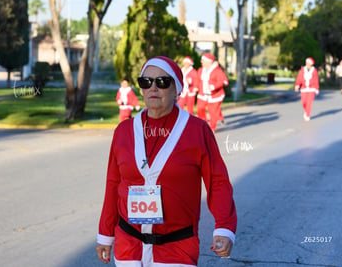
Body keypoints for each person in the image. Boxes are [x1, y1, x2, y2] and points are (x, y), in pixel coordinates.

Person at [96, 56, 237, 266]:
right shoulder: (123, 131)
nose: (153, 88)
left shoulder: (197, 131)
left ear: (177, 89)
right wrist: (105, 235)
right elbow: (113, 184)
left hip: (176, 247)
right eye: (146, 82)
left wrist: (224, 227)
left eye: (162, 82)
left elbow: (217, 181)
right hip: (129, 245)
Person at [196, 53, 229, 132]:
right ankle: (203, 124)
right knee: (200, 109)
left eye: (203, 60)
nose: (201, 62)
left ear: (208, 61)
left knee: (212, 112)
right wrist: (196, 87)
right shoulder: (200, 70)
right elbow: (197, 80)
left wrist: (213, 86)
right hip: (203, 94)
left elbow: (224, 82)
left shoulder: (217, 70)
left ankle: (212, 128)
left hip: (215, 95)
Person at [295, 57, 320, 121]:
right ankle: (306, 111)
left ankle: (307, 115)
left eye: (308, 63)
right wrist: (297, 85)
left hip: (312, 89)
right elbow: (299, 78)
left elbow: (316, 79)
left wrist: (317, 89)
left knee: (309, 102)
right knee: (304, 102)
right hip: (304, 88)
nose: (307, 64)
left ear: (311, 64)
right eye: (306, 63)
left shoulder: (314, 70)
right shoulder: (302, 70)